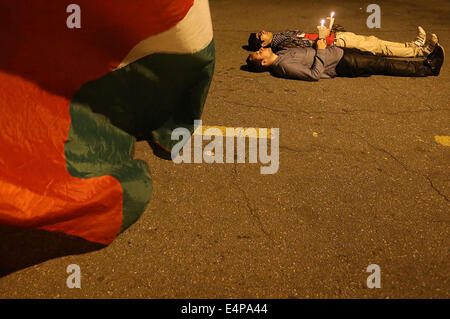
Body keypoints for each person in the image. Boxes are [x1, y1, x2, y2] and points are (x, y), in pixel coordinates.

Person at [245, 39, 444, 81]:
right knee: (385, 65)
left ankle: (423, 57)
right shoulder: (283, 66)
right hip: (342, 63)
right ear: (263, 63)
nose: (261, 49)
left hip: (339, 53)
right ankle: (428, 68)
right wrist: (321, 51)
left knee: (379, 56)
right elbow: (314, 75)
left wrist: (319, 44)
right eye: (259, 53)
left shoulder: (280, 55)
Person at [248, 26, 438, 58]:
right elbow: (308, 46)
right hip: (337, 44)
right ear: (262, 45)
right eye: (259, 36)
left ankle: (414, 45)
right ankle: (419, 51)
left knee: (376, 42)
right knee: (379, 48)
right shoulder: (281, 45)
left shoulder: (282, 35)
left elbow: (306, 36)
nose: (262, 32)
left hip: (335, 37)